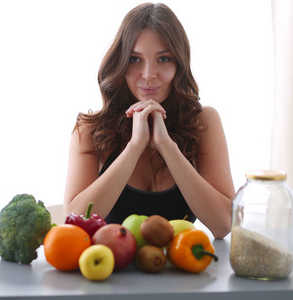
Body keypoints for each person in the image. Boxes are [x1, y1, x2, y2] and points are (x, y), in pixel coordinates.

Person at [63, 3, 235, 239]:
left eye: (163, 59)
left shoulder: (204, 122)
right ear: (120, 63)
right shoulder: (90, 130)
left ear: (179, 64)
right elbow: (75, 224)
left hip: (182, 269)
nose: (148, 74)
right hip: (112, 273)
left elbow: (223, 224)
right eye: (135, 59)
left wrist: (167, 147)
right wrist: (135, 146)